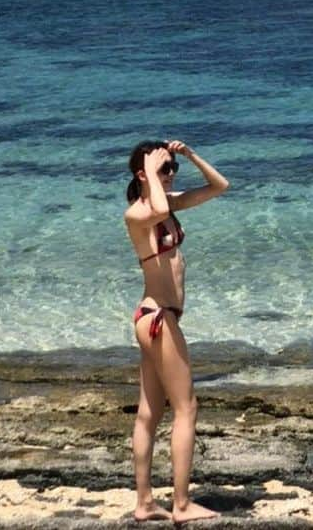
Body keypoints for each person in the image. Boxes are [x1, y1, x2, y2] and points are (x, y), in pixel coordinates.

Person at [124, 139, 229, 523]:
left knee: (149, 412)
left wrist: (190, 156)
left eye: (172, 170)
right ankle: (181, 505)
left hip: (156, 318)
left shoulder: (166, 207)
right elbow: (158, 208)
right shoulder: (138, 214)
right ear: (143, 174)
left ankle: (145, 503)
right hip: (158, 317)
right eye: (164, 169)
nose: (170, 176)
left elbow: (220, 186)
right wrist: (152, 173)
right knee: (186, 408)